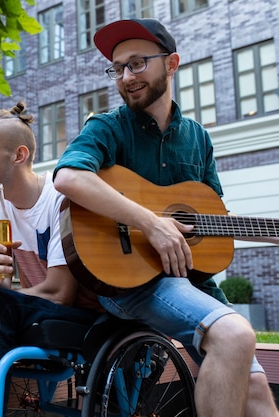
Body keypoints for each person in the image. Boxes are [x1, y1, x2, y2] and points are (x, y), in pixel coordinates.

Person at [53, 18, 279, 417]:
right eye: (118, 68)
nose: (126, 76)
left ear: (171, 64)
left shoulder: (198, 137)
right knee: (233, 333)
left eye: (137, 63)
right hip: (129, 281)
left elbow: (213, 216)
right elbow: (69, 177)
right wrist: (151, 222)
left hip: (190, 283)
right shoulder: (107, 127)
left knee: (257, 392)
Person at [0, 101, 102, 417]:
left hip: (80, 315)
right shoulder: (2, 204)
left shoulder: (59, 197)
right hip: (32, 308)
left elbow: (59, 293)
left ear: (19, 155)